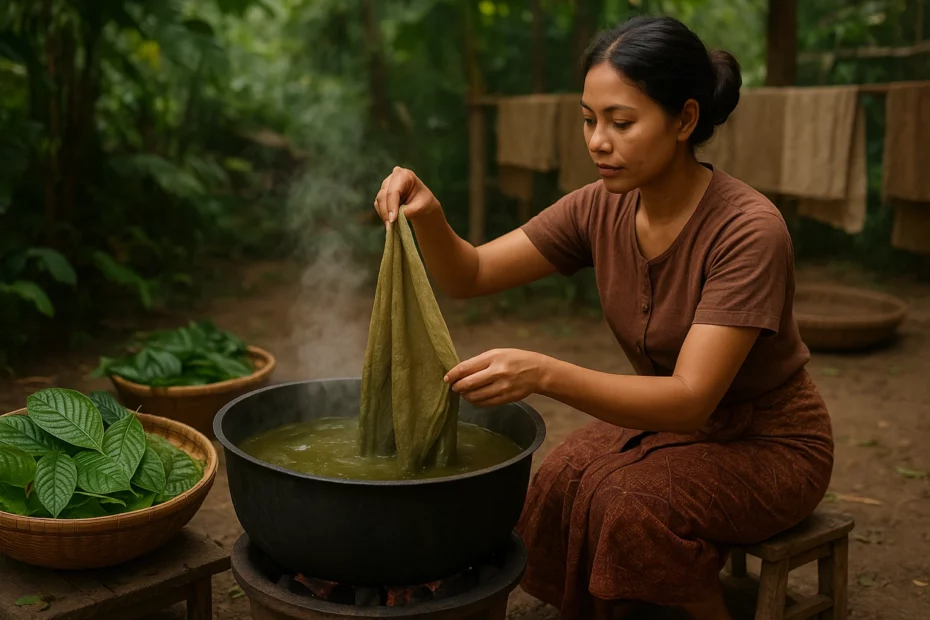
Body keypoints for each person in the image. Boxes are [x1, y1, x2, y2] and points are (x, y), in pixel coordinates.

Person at [372, 15, 833, 620]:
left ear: (685, 120)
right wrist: (427, 213)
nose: (597, 141)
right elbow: (472, 275)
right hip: (677, 426)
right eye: (589, 120)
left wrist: (542, 373)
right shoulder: (599, 207)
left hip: (770, 443)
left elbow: (692, 399)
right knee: (560, 476)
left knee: (628, 503)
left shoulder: (747, 231)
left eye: (621, 122)